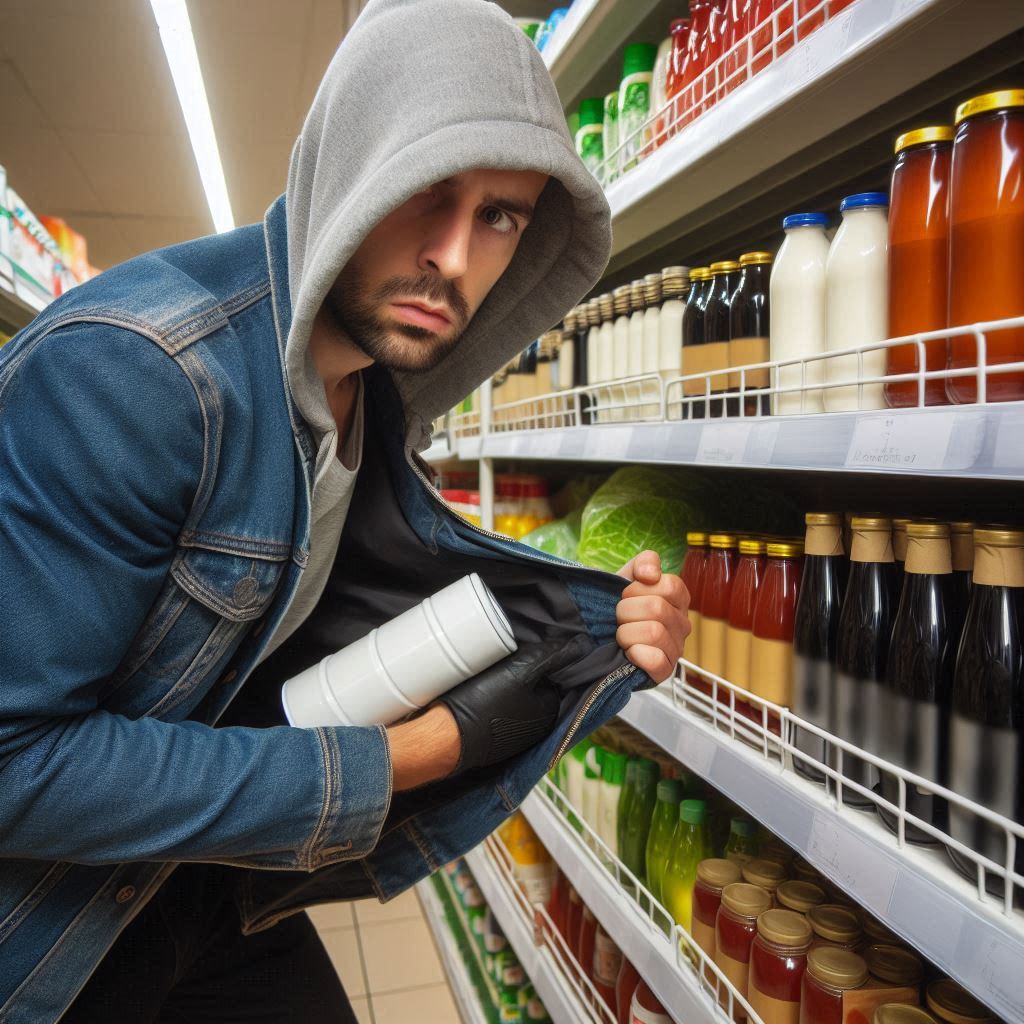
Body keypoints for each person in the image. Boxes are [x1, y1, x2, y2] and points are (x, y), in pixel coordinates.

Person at [0, 1, 689, 1021]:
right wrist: (410, 757)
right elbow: (16, 764)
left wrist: (591, 619)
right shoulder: (139, 375)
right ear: (352, 162)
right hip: (50, 931)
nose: (455, 256)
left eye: (501, 214)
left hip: (195, 880)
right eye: (428, 191)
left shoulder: (365, 392)